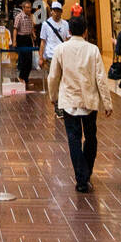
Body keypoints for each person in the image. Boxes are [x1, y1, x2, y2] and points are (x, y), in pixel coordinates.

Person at [48, 14, 112, 193]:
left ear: (68, 31)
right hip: (89, 100)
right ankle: (86, 173)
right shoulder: (93, 50)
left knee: (73, 138)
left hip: (69, 100)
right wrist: (107, 103)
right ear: (85, 31)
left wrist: (53, 96)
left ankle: (81, 177)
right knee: (91, 137)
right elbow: (101, 78)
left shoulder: (61, 49)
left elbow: (53, 76)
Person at [39, 1, 70, 117]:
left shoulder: (65, 24)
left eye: (58, 11)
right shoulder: (46, 24)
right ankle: (58, 106)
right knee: (54, 81)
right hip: (51, 56)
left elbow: (67, 40)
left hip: (64, 56)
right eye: (54, 10)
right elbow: (43, 42)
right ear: (51, 11)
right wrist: (41, 57)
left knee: (64, 80)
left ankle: (63, 105)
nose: (56, 13)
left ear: (61, 12)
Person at [12, 0, 38, 88]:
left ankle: (25, 79)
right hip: (21, 38)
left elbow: (31, 28)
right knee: (24, 60)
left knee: (30, 61)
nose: (29, 9)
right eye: (27, 7)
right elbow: (15, 29)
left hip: (28, 39)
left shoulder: (30, 17)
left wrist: (33, 35)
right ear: (23, 8)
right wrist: (14, 40)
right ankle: (21, 77)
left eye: (30, 7)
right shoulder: (19, 17)